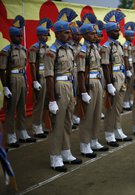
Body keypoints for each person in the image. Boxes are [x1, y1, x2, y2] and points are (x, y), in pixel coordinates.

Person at [44, 8, 82, 172]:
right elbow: (49, 76)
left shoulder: (70, 49)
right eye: (66, 33)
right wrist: (52, 100)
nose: (70, 35)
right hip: (59, 87)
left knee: (67, 122)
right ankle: (55, 156)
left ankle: (66, 152)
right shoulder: (51, 52)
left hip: (69, 86)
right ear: (58, 33)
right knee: (57, 124)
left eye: (70, 32)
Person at [0, 15, 36, 148]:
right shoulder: (6, 51)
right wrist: (5, 87)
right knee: (11, 109)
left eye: (21, 36)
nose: (20, 38)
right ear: (11, 37)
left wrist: (26, 82)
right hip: (12, 80)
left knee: (22, 107)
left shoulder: (23, 50)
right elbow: (2, 70)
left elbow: (24, 67)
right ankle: (10, 136)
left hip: (22, 78)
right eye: (17, 36)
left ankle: (22, 133)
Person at [77, 13, 109, 158]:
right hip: (88, 84)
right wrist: (83, 91)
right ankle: (85, 144)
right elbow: (81, 72)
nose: (95, 35)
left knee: (96, 114)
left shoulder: (95, 48)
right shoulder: (83, 51)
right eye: (91, 33)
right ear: (84, 34)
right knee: (87, 115)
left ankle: (94, 140)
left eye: (95, 33)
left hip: (97, 82)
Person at [101, 10, 132, 147]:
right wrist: (108, 84)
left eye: (118, 30)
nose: (118, 33)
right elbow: (106, 66)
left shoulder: (119, 45)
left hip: (121, 75)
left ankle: (117, 129)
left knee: (118, 106)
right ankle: (109, 133)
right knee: (111, 107)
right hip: (112, 78)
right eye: (115, 31)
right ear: (108, 32)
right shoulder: (106, 47)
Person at [29, 18, 53, 138]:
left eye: (47, 35)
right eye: (44, 35)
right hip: (39, 76)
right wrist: (34, 80)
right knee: (39, 103)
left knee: (46, 103)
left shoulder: (47, 47)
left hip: (47, 76)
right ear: (39, 35)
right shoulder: (34, 48)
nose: (46, 37)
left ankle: (43, 125)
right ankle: (36, 127)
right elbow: (32, 64)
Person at [69, 20, 83, 128]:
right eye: (76, 34)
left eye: (80, 34)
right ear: (72, 35)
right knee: (71, 94)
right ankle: (70, 117)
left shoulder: (81, 46)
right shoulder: (69, 46)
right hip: (71, 71)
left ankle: (76, 114)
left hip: (80, 70)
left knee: (79, 93)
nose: (79, 36)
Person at [122, 21, 135, 111]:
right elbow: (126, 58)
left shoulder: (131, 45)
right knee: (127, 85)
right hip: (128, 67)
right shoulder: (125, 45)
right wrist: (127, 70)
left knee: (131, 85)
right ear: (126, 37)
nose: (132, 37)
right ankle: (125, 101)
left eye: (133, 36)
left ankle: (130, 100)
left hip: (132, 66)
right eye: (130, 36)